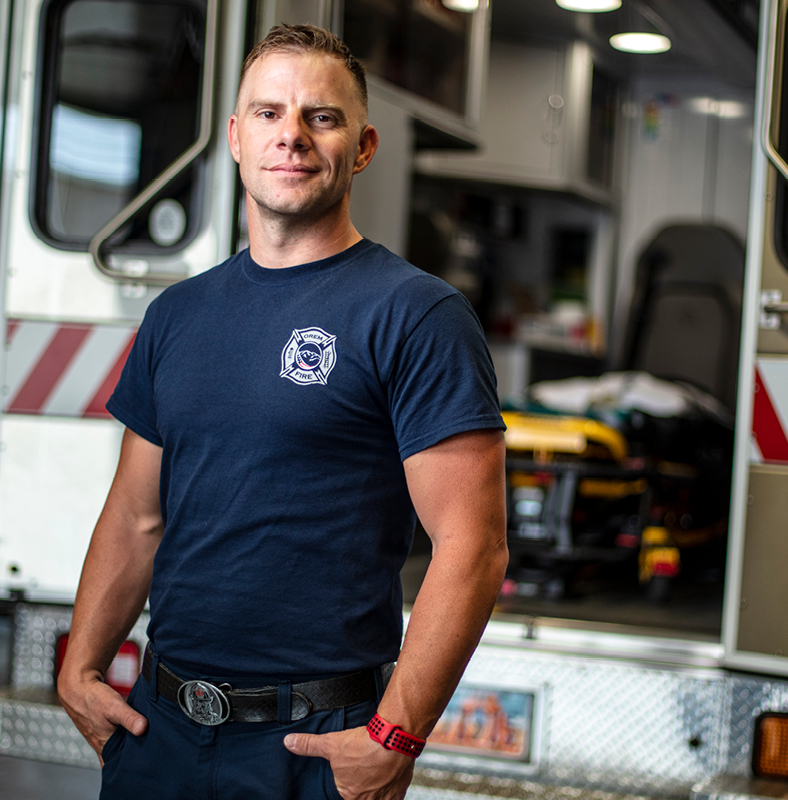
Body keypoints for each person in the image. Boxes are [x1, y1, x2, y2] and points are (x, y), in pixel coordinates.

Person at [58, 23, 508, 800]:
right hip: (160, 730)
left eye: (320, 117)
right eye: (268, 114)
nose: (291, 136)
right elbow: (137, 516)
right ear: (234, 137)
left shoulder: (415, 315)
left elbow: (473, 548)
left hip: (315, 747)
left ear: (362, 147)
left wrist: (394, 738)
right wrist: (79, 669)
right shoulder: (178, 314)